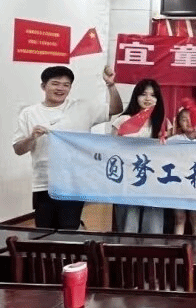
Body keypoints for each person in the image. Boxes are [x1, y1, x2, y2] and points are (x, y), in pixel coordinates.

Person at [13, 66, 122, 229]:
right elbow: (18, 149)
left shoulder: (82, 107)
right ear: (43, 86)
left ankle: (76, 233)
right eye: (55, 84)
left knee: (68, 228)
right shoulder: (29, 113)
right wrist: (31, 137)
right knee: (44, 229)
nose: (61, 88)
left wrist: (111, 85)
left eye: (66, 85)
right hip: (44, 182)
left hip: (74, 182)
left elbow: (116, 109)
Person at [111, 79, 165, 234]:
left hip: (154, 179)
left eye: (153, 95)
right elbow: (111, 149)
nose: (148, 98)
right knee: (129, 223)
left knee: (154, 225)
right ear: (136, 96)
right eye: (143, 94)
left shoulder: (162, 122)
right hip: (127, 179)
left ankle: (151, 249)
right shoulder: (123, 120)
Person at [166, 107, 196, 235]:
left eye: (192, 118)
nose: (189, 122)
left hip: (195, 183)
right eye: (184, 119)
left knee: (195, 216)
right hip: (179, 184)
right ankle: (178, 245)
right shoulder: (175, 140)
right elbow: (160, 150)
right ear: (179, 123)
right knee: (180, 218)